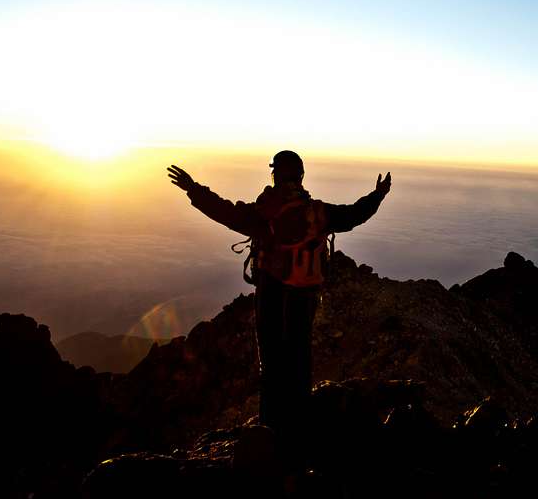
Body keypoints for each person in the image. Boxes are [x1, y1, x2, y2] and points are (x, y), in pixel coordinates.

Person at [167, 151, 391, 473]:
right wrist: (378, 195)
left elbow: (226, 212)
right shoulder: (318, 213)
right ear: (300, 175)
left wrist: (193, 189)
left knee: (271, 362)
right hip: (304, 294)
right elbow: (355, 215)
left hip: (271, 291)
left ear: (275, 175)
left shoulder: (265, 212)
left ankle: (268, 433)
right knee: (299, 360)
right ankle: (298, 434)